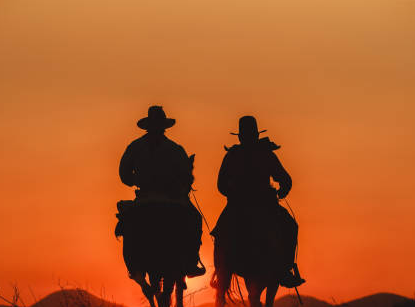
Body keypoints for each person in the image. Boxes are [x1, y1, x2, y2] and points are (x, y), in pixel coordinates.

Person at [212, 115, 305, 288]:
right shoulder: (266, 154)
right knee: (290, 226)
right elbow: (286, 179)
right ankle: (285, 269)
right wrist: (283, 190)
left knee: (221, 232)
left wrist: (234, 192)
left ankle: (220, 271)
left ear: (240, 136)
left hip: (238, 206)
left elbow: (221, 185)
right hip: (264, 206)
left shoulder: (233, 155)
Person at [115, 105, 205, 283]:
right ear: (164, 126)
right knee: (194, 219)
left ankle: (133, 265)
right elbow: (186, 176)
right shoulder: (175, 149)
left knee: (128, 224)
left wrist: (137, 180)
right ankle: (191, 262)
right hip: (171, 200)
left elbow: (124, 174)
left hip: (144, 199)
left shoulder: (135, 147)